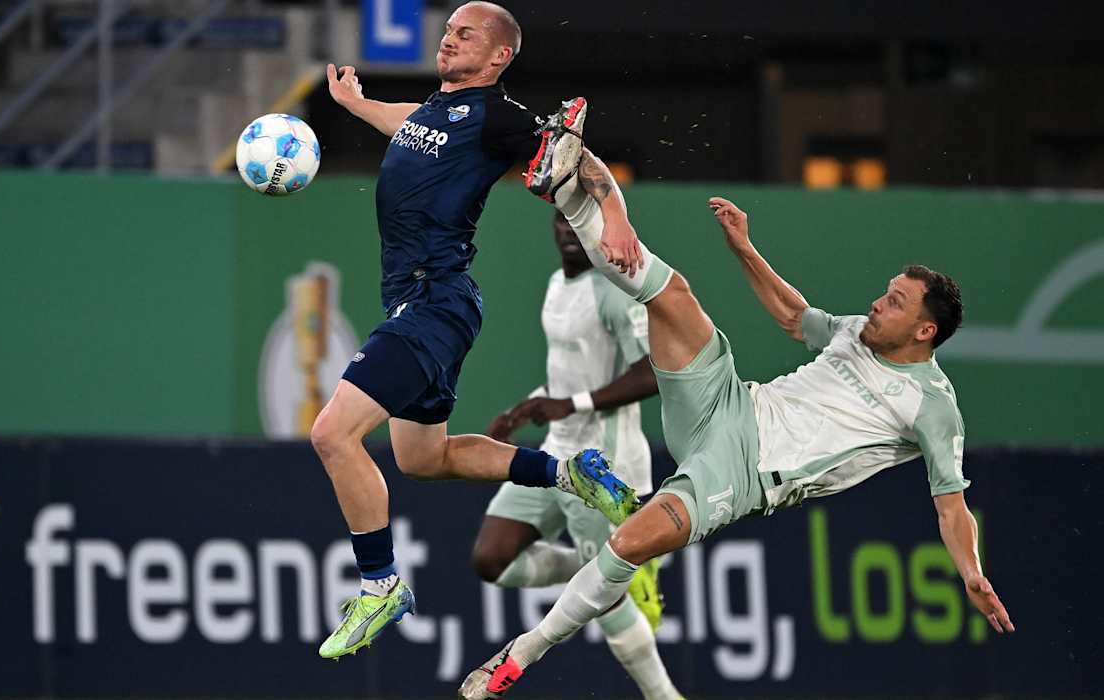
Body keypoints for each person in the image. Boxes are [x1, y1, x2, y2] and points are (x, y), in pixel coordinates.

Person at [459, 115, 1015, 696]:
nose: (878, 303)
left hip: (745, 471)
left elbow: (952, 508)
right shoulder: (859, 331)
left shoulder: (933, 405)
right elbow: (795, 318)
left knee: (626, 545)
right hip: (727, 400)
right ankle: (570, 182)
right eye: (885, 292)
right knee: (670, 293)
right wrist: (744, 249)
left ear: (924, 332)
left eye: (895, 302)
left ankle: (519, 656)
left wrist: (971, 573)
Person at [313, 2, 640, 659]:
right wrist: (357, 104)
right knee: (422, 459)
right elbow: (407, 125)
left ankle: (380, 586)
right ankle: (570, 473)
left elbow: (585, 162)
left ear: (498, 56)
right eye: (448, 30)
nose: (448, 39)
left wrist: (616, 218)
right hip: (420, 302)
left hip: (434, 301)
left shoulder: (498, 116)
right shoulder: (437, 111)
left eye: (465, 34)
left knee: (332, 434)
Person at [472, 211, 682, 700]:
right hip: (555, 455)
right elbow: (568, 377)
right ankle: (615, 569)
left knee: (603, 601)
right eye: (562, 221)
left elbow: (654, 371)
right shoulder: (556, 285)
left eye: (578, 222)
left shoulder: (615, 292)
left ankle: (665, 696)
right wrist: (524, 409)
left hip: (603, 467)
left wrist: (573, 404)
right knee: (492, 558)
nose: (570, 230)